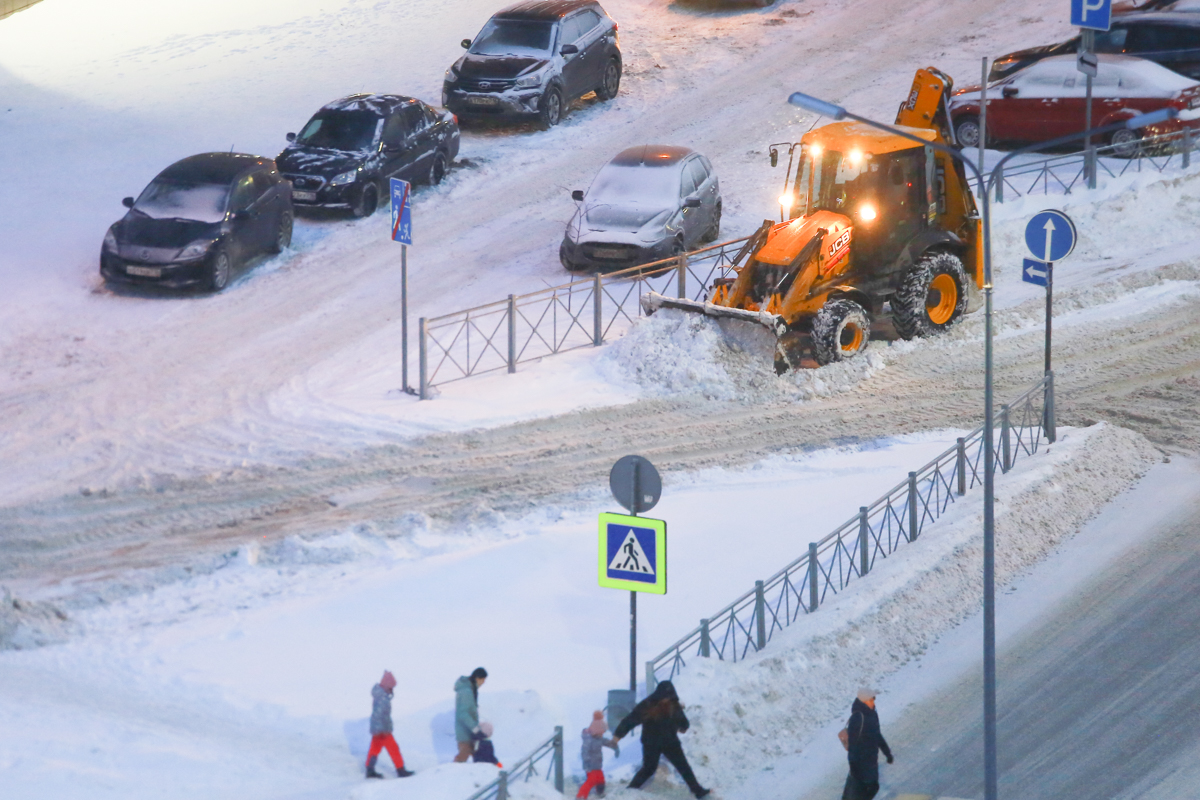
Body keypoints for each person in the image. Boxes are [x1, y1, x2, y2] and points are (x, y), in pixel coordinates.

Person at [612, 680, 709, 799]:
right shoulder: (647, 705)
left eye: (669, 697)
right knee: (648, 768)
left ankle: (698, 791)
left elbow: (684, 722)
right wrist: (617, 736)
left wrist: (683, 727)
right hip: (651, 743)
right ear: (658, 695)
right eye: (664, 697)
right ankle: (631, 790)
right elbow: (629, 721)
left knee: (683, 766)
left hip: (670, 742)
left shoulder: (674, 705)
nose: (666, 700)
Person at [840, 688, 893, 800]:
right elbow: (853, 746)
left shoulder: (872, 714)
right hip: (861, 762)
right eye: (871, 699)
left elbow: (877, 735)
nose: (873, 702)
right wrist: (853, 765)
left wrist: (887, 753)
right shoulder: (858, 718)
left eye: (873, 699)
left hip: (871, 759)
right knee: (865, 789)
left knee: (870, 788)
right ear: (864, 701)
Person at [366, 670, 414, 779]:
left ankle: (370, 769)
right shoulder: (382, 698)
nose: (392, 689)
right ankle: (400, 770)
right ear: (387, 686)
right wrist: (382, 729)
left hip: (379, 728)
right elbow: (379, 714)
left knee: (375, 748)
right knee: (393, 748)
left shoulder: (381, 695)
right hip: (383, 729)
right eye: (391, 687)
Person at [577, 710, 619, 799]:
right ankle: (580, 796)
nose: (602, 734)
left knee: (600, 779)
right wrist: (587, 762)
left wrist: (615, 746)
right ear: (596, 730)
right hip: (590, 765)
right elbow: (584, 751)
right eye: (601, 732)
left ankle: (600, 792)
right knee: (591, 781)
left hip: (597, 765)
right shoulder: (589, 740)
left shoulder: (598, 738)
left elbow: (606, 742)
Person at [454, 667, 488, 763]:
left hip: (469, 731)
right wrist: (476, 730)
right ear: (478, 678)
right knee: (462, 758)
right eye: (483, 679)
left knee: (475, 757)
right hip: (465, 732)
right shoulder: (466, 692)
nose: (484, 682)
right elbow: (463, 714)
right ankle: (448, 775)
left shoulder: (470, 690)